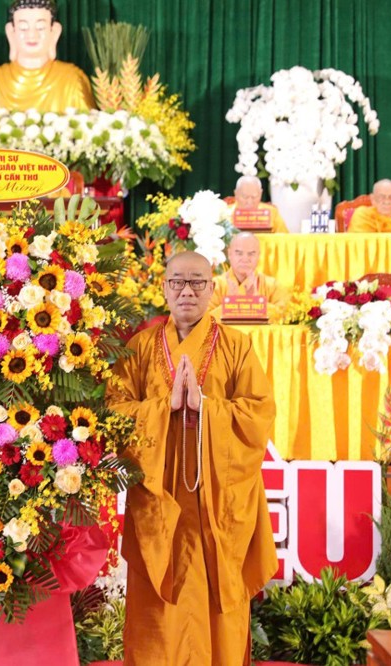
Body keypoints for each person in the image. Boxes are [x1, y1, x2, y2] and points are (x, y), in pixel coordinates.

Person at [108, 251, 277, 665]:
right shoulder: (140, 347)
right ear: (164, 288)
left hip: (216, 498)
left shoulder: (236, 346)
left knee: (215, 604)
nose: (187, 291)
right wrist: (163, 407)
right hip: (160, 495)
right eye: (178, 282)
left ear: (212, 288)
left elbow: (259, 413)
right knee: (158, 609)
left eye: (198, 282)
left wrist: (207, 408)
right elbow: (114, 411)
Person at [0, 0, 96, 113]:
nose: (32, 35)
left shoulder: (72, 80)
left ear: (54, 31)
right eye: (23, 28)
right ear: (11, 32)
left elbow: (88, 124)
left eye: (40, 28)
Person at [207, 233, 290, 323]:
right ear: (229, 254)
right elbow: (204, 319)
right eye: (239, 253)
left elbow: (286, 316)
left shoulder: (273, 285)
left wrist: (255, 302)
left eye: (251, 254)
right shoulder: (214, 286)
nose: (245, 259)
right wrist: (230, 304)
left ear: (258, 255)